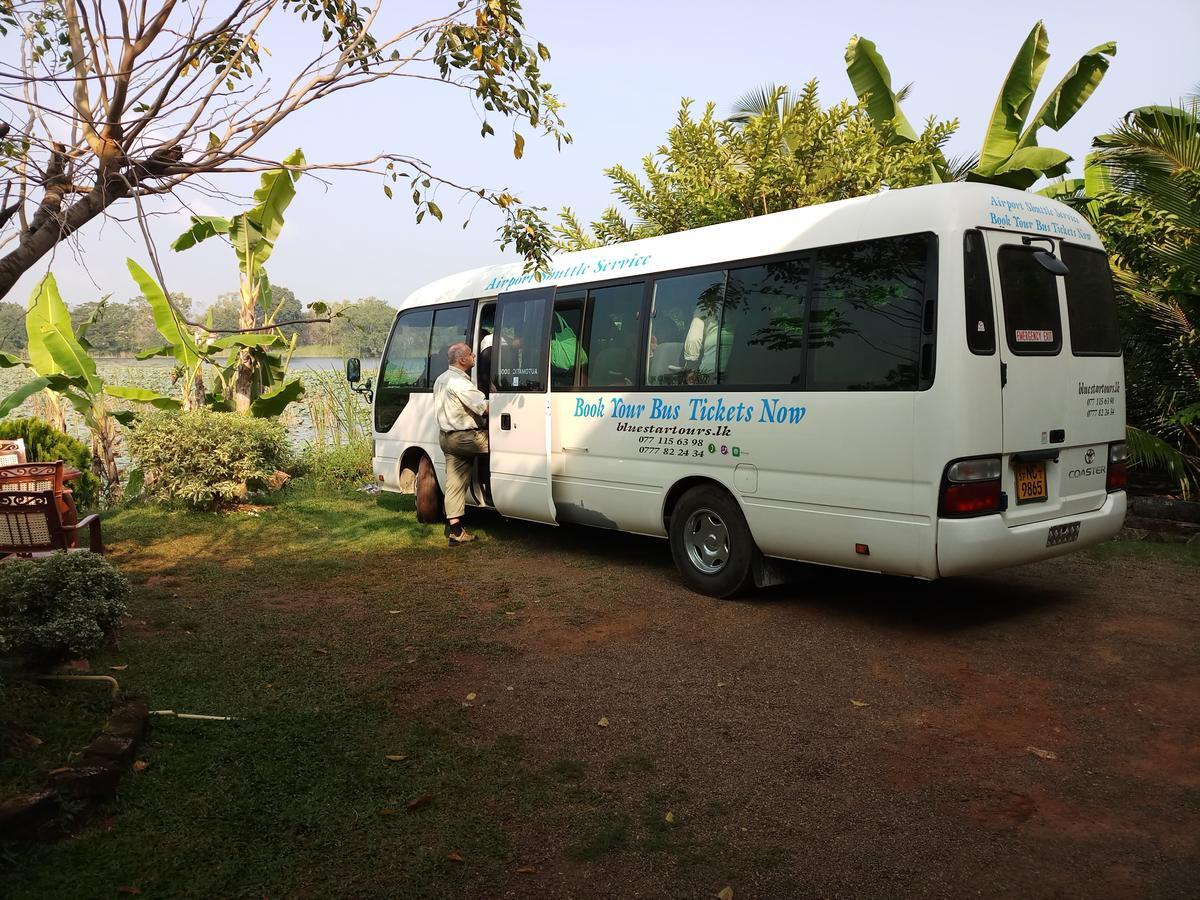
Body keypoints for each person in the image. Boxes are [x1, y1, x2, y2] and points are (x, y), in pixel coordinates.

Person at [433, 342, 489, 545]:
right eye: (471, 354)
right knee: (506, 443)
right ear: (462, 360)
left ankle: (456, 531)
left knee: (454, 484)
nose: (474, 356)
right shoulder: (460, 383)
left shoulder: (441, 379)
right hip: (465, 438)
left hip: (446, 437)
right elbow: (483, 408)